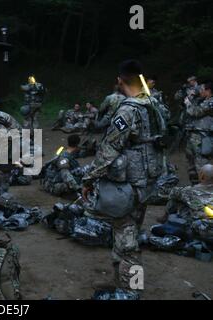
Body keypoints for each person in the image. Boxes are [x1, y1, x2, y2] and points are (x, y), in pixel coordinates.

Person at [82, 60, 167, 298]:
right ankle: (123, 284)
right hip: (148, 182)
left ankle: (130, 290)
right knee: (128, 234)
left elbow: (109, 149)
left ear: (120, 80)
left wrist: (89, 179)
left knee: (128, 243)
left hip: (128, 186)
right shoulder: (155, 104)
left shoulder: (128, 110)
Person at [183, 80, 213, 184]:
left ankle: (205, 186)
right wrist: (191, 97)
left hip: (202, 137)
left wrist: (188, 103)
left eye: (202, 89)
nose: (200, 91)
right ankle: (195, 186)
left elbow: (195, 112)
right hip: (193, 135)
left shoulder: (210, 102)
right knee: (190, 161)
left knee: (201, 162)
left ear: (208, 90)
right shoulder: (202, 100)